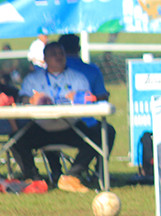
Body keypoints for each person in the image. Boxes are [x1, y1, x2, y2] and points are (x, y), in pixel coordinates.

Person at [12, 42, 115, 193]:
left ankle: (73, 175)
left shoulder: (78, 78)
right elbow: (22, 99)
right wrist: (31, 100)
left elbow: (88, 100)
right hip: (42, 127)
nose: (59, 57)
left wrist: (79, 98)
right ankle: (33, 179)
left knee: (105, 132)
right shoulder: (33, 79)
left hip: (71, 127)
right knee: (16, 140)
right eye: (54, 54)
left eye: (61, 53)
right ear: (45, 58)